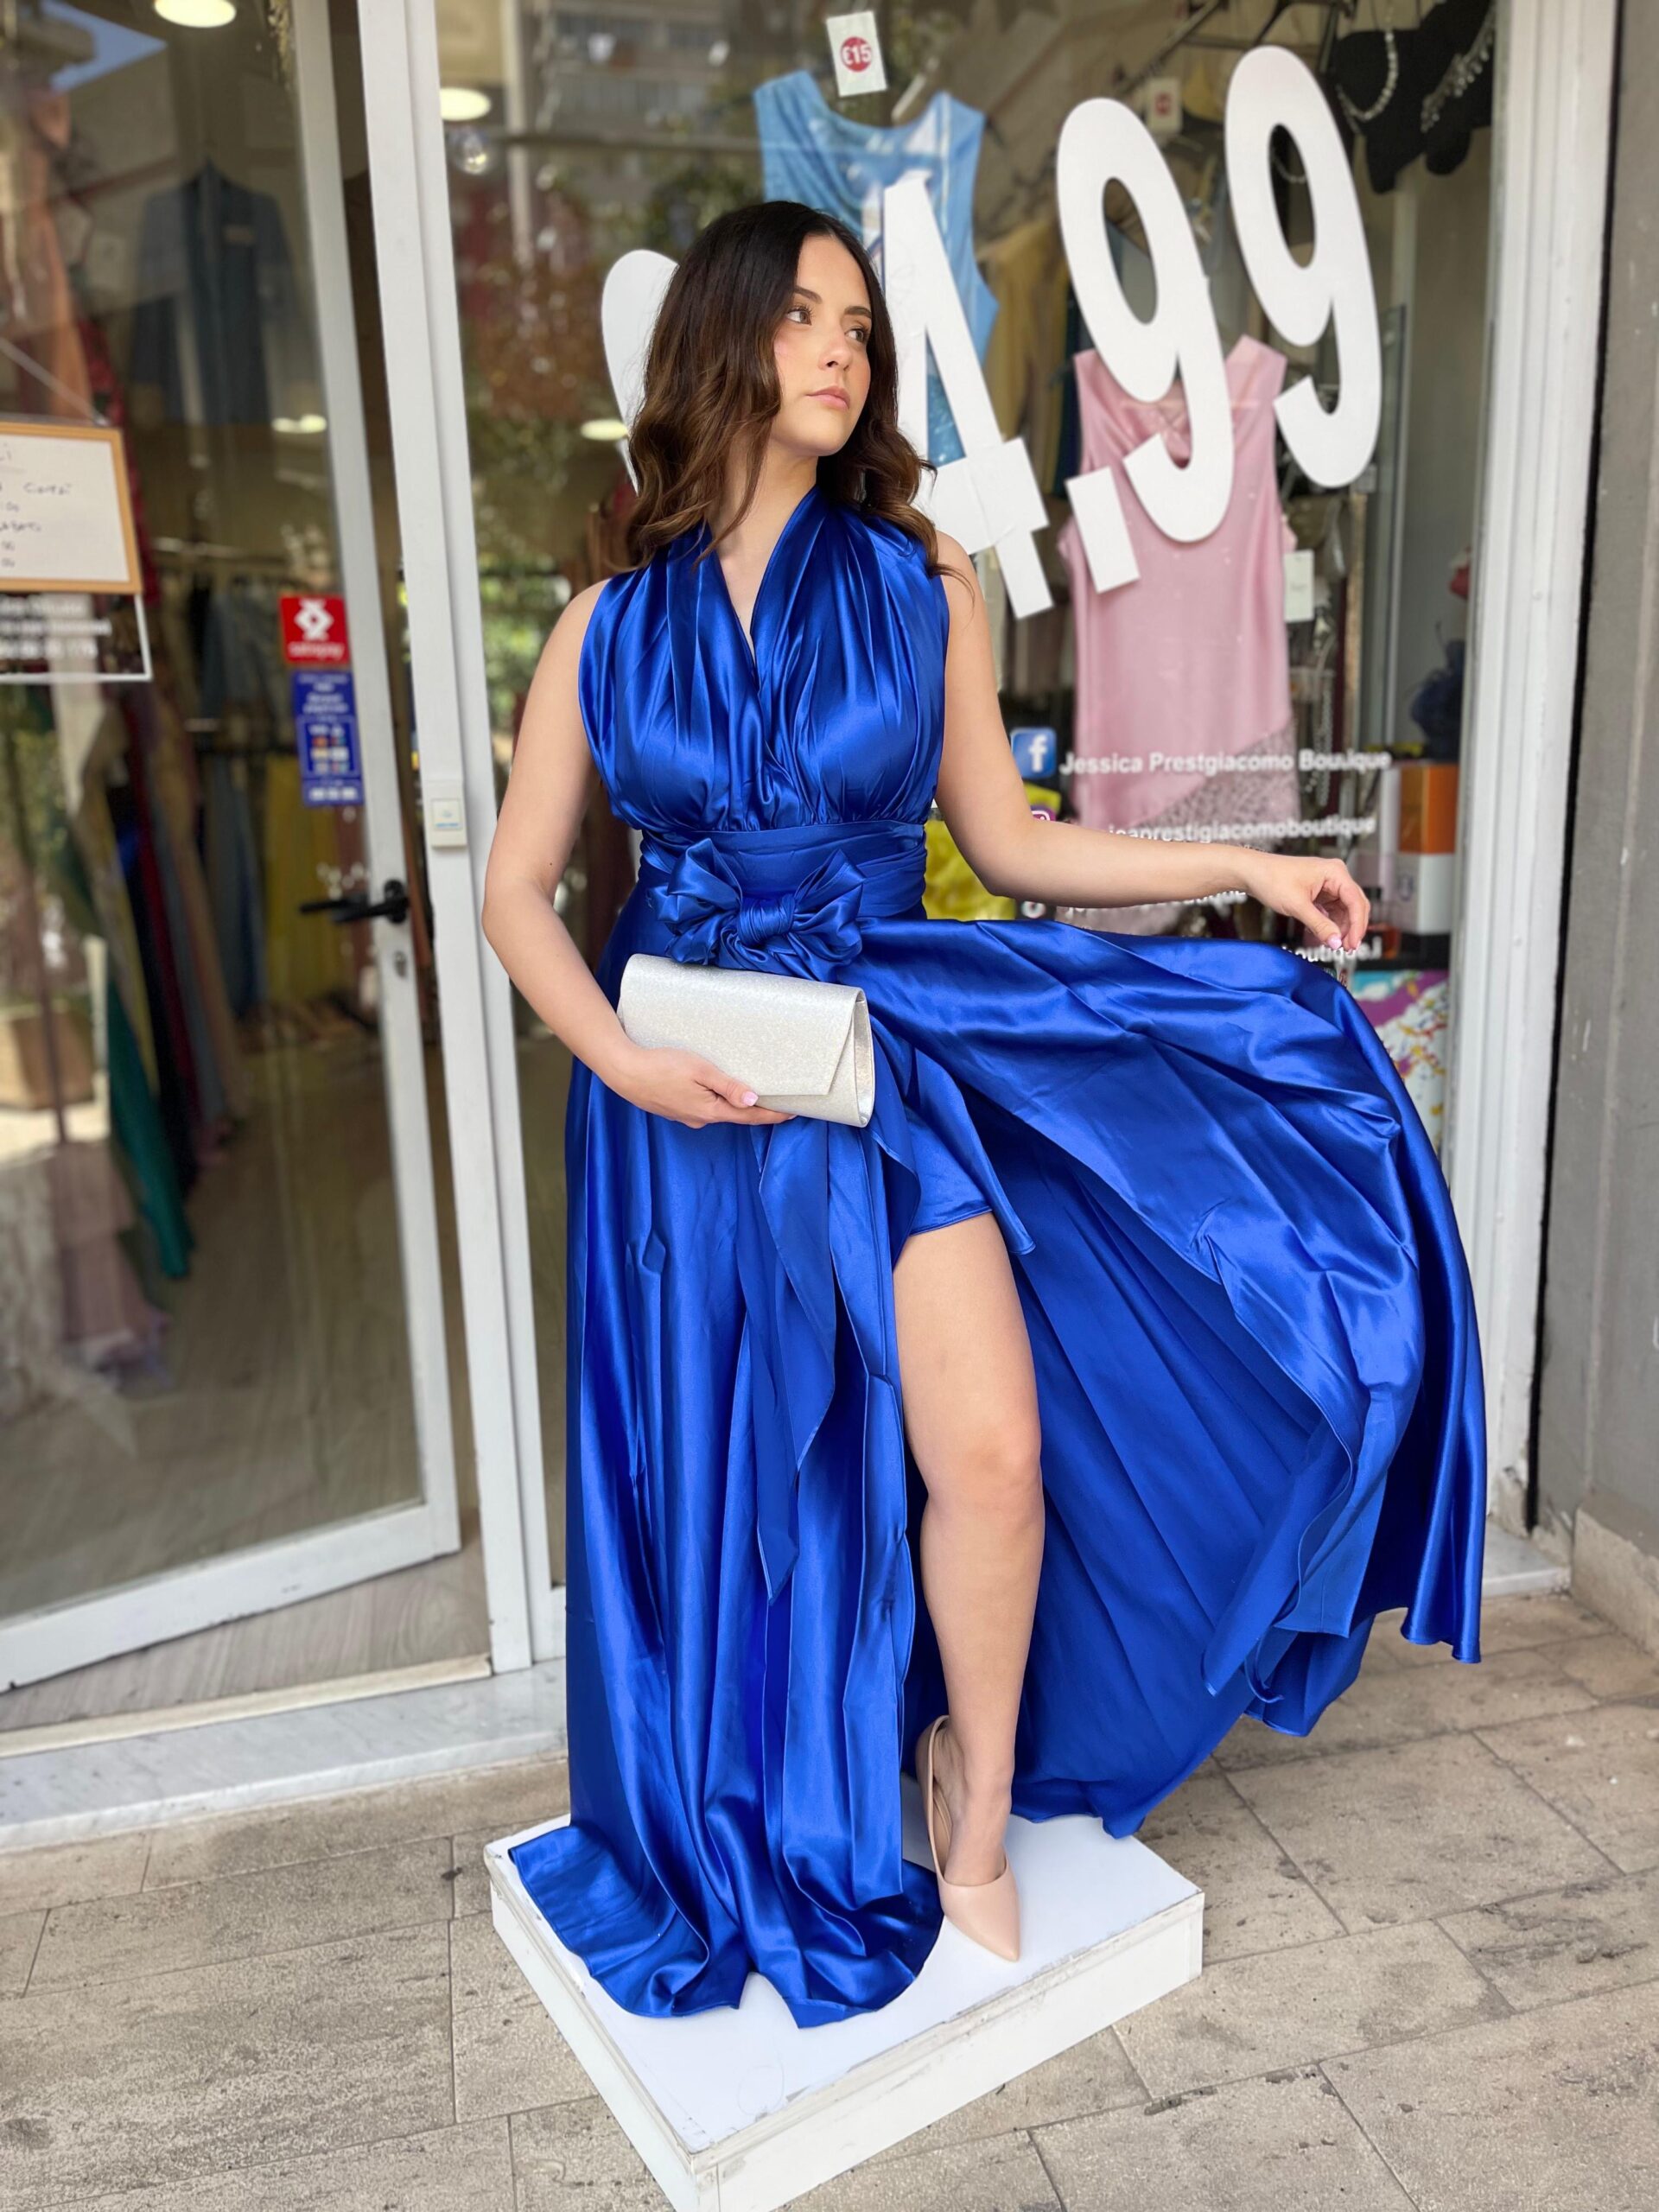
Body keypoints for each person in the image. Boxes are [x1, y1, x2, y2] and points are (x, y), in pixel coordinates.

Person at [480, 199, 1486, 2030]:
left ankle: (972, 1797)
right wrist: (622, 1062)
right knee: (734, 1484)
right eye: (804, 315)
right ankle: (747, 1801)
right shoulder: (602, 629)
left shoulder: (919, 582)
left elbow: (1011, 842)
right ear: (722, 339)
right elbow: (512, 894)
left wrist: (1249, 864)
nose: (840, 348)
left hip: (880, 1057)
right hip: (681, 1098)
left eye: (859, 324)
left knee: (994, 1454)